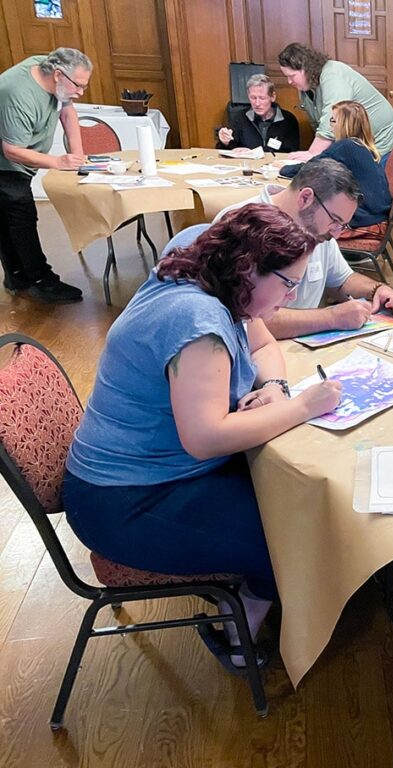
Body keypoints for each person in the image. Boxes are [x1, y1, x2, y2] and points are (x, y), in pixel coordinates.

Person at [63, 204, 343, 669]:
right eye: (288, 284)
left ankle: (253, 599)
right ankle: (238, 640)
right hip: (124, 499)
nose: (291, 299)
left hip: (152, 469)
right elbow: (206, 437)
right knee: (291, 531)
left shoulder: (203, 267)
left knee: (292, 492)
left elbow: (263, 344)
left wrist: (272, 387)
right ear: (250, 268)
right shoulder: (198, 324)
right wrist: (301, 406)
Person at [216, 156, 393, 340]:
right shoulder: (242, 226)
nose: (336, 234)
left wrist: (376, 290)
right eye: (335, 221)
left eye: (342, 225)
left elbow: (344, 279)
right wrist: (330, 318)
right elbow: (245, 321)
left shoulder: (318, 233)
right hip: (260, 357)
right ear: (306, 198)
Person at [0, 47, 92, 303]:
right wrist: (57, 161)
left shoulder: (48, 67)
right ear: (58, 74)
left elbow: (67, 111)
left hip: (18, 157)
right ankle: (41, 280)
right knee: (20, 214)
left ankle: (17, 277)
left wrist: (78, 155)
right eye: (79, 86)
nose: (81, 92)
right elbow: (11, 151)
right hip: (7, 162)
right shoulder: (16, 93)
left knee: (8, 218)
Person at [280, 100, 391, 240]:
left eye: (333, 121)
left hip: (365, 218)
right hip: (377, 214)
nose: (331, 127)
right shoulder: (362, 147)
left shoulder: (346, 146)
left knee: (307, 208)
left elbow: (309, 168)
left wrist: (282, 168)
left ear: (343, 124)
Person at [277, 43, 393, 164]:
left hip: (378, 142)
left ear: (306, 69)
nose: (289, 81)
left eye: (292, 76)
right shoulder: (305, 89)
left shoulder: (332, 74)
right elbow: (319, 125)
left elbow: (332, 117)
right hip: (357, 144)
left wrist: (312, 153)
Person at [216, 74, 300, 154]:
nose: (257, 103)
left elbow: (290, 152)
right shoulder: (240, 118)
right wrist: (224, 142)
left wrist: (253, 152)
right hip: (246, 166)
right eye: (253, 98)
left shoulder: (288, 120)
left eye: (262, 98)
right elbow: (228, 149)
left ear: (273, 97)